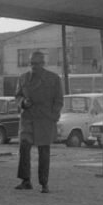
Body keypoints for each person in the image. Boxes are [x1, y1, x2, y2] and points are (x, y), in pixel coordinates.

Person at [14, 51, 64, 193]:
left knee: (44, 150)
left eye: (36, 63)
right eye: (31, 63)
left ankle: (44, 183)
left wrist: (54, 115)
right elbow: (17, 96)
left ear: (43, 63)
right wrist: (23, 102)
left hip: (44, 118)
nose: (33, 66)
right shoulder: (23, 78)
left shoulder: (53, 78)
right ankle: (25, 180)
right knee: (24, 147)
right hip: (28, 118)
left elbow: (59, 99)